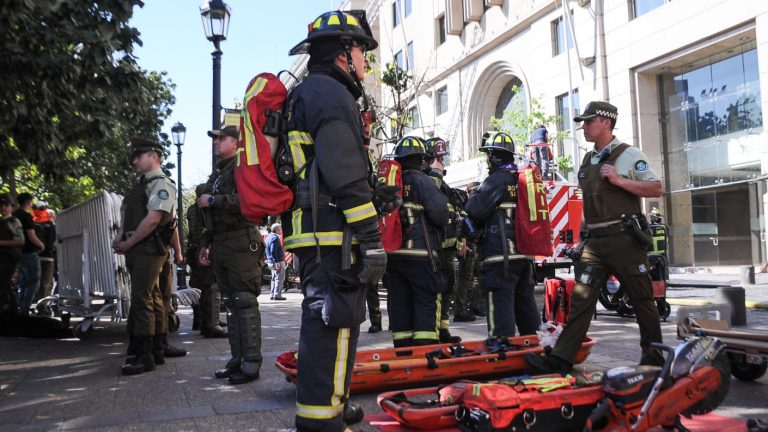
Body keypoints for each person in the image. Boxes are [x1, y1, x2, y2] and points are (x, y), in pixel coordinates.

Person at [284, 10, 386, 432]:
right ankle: (321, 423)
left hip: (316, 232)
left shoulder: (310, 92)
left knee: (330, 326)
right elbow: (343, 171)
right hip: (334, 235)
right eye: (362, 51)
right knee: (334, 328)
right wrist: (371, 236)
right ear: (345, 52)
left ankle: (333, 406)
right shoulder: (330, 95)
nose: (366, 62)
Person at [525, 101, 664, 375]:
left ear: (606, 122)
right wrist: (580, 239)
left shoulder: (628, 155)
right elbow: (588, 204)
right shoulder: (589, 160)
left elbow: (656, 187)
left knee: (642, 300)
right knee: (582, 299)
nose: (584, 127)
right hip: (595, 244)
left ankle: (654, 357)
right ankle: (561, 360)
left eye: (589, 122)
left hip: (624, 240)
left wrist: (620, 180)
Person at [197, 124, 265, 385]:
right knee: (233, 305)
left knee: (244, 300)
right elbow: (210, 218)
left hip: (241, 240)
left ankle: (251, 364)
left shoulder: (243, 168)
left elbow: (250, 202)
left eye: (222, 138)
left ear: (236, 143)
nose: (216, 142)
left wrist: (215, 201)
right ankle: (238, 360)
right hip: (223, 243)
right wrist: (206, 242)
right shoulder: (218, 174)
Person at [113, 137, 178, 376]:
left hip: (148, 247)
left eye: (138, 156)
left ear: (154, 156)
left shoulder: (160, 183)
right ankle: (154, 349)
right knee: (149, 297)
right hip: (139, 247)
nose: (134, 161)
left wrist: (128, 242)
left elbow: (153, 219)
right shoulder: (140, 185)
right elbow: (128, 218)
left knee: (143, 299)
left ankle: (145, 354)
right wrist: (121, 238)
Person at [465, 132, 539, 339]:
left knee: (500, 302)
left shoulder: (496, 180)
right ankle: (533, 344)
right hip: (524, 256)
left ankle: (502, 347)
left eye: (488, 156)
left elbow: (473, 209)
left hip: (500, 256)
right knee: (525, 302)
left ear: (494, 157)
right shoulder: (521, 180)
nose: (487, 161)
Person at [385, 136, 449, 347]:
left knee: (400, 303)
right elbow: (440, 215)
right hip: (422, 255)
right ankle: (425, 353)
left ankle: (402, 353)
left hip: (394, 256)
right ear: (422, 160)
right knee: (424, 301)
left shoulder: (391, 182)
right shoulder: (423, 182)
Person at [423, 137, 465, 340]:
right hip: (434, 249)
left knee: (448, 289)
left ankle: (444, 329)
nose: (443, 162)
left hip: (448, 250)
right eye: (439, 158)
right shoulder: (427, 182)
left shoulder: (442, 184)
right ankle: (435, 332)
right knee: (437, 291)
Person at [186, 184, 226, 338]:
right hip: (204, 249)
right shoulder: (205, 209)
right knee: (212, 286)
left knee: (198, 286)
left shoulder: (191, 209)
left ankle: (201, 320)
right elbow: (207, 230)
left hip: (194, 250)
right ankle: (212, 324)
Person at [14, 192, 45, 315]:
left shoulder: (14, 215)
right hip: (29, 252)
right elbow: (31, 236)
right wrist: (41, 245)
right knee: (33, 281)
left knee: (23, 282)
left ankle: (20, 307)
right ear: (28, 202)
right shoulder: (26, 216)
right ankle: (24, 309)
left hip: (17, 252)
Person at [0, 194, 24, 314]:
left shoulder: (14, 221)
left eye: (6, 205)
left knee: (4, 284)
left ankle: (14, 311)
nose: (3, 208)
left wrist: (2, 243)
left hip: (9, 257)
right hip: (2, 257)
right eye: (1, 205)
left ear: (11, 207)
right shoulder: (2, 221)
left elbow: (20, 241)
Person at [33, 203, 57, 304]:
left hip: (36, 256)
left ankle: (39, 302)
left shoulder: (34, 225)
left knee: (38, 281)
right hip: (48, 257)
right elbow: (53, 243)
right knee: (46, 282)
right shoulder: (51, 226)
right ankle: (43, 305)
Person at [265, 223, 287, 301]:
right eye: (281, 228)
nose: (282, 230)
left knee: (274, 278)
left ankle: (272, 294)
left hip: (270, 261)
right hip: (277, 261)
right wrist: (276, 262)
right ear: (277, 230)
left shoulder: (269, 237)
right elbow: (273, 251)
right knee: (279, 278)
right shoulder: (275, 238)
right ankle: (277, 295)